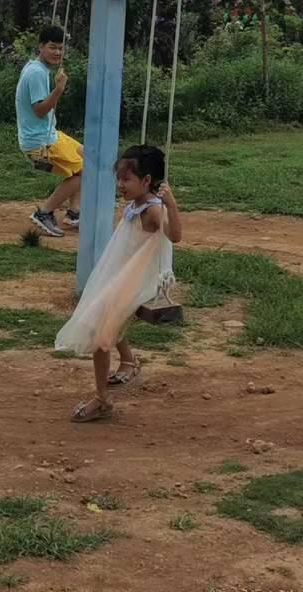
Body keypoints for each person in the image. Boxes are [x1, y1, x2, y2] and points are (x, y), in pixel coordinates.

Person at [55, 144, 183, 422]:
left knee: (101, 334)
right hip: (122, 273)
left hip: (138, 279)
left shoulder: (153, 210)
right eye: (119, 179)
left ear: (146, 181)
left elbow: (175, 236)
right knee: (105, 316)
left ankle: (102, 400)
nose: (120, 185)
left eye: (126, 179)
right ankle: (127, 361)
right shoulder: (136, 204)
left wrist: (171, 205)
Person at [16, 24, 82, 237]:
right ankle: (44, 212)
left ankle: (74, 213)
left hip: (48, 135)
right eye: (52, 47)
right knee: (87, 172)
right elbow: (40, 110)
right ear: (41, 46)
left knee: (88, 156)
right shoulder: (37, 73)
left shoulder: (36, 68)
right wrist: (59, 90)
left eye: (61, 48)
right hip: (40, 141)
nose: (57, 53)